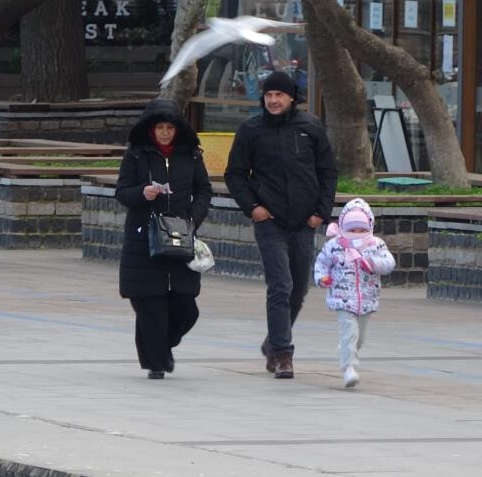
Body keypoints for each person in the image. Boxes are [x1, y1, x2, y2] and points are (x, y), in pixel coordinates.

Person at [224, 71, 338, 379]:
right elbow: (234, 174)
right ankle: (283, 354)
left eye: (280, 95)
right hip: (269, 221)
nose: (273, 100)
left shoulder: (311, 127)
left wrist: (321, 213)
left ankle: (272, 341)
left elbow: (328, 172)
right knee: (280, 285)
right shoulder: (251, 130)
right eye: (268, 95)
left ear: (291, 98)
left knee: (299, 288)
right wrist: (253, 207)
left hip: (304, 221)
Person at [116, 99, 212, 379]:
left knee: (186, 307)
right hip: (143, 237)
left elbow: (204, 190)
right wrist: (141, 194)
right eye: (160, 127)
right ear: (150, 129)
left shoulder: (190, 154)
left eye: (170, 127)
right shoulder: (136, 155)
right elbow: (122, 192)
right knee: (150, 301)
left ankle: (159, 346)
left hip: (180, 235)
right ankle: (156, 361)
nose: (165, 132)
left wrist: (193, 218)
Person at [313, 198, 395, 388]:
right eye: (352, 230)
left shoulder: (376, 245)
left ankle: (347, 353)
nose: (357, 234)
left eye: (361, 230)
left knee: (359, 337)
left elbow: (389, 262)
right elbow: (321, 264)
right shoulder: (334, 245)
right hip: (343, 299)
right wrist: (322, 278)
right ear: (343, 227)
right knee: (349, 332)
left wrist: (372, 264)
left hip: (367, 299)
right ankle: (348, 367)